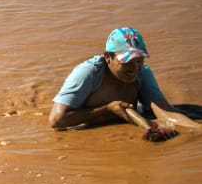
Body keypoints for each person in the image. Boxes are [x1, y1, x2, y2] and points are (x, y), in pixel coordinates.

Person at [49, 26, 191, 130]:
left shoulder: (143, 72)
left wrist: (196, 129)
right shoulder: (87, 73)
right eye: (127, 61)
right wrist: (107, 109)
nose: (134, 69)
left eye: (139, 60)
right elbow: (56, 121)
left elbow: (165, 111)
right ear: (107, 57)